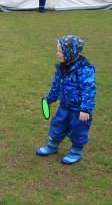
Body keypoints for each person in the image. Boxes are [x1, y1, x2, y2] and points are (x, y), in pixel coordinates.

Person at [36, 35, 96, 165]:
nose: (58, 54)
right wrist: (49, 99)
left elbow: (89, 89)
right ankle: (52, 145)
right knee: (57, 125)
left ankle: (76, 151)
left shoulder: (85, 69)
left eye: (60, 51)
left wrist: (85, 109)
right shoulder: (61, 67)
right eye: (57, 51)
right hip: (64, 106)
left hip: (79, 110)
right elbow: (56, 85)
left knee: (78, 130)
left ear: (71, 51)